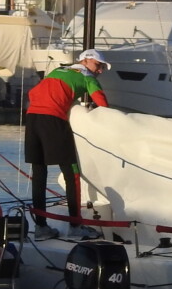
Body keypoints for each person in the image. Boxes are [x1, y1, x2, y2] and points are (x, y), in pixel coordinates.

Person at [24, 47, 110, 240]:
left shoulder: (57, 71)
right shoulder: (88, 76)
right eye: (98, 65)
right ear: (86, 61)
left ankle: (41, 228)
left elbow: (35, 93)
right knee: (72, 172)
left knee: (39, 173)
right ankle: (75, 226)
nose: (100, 70)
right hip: (53, 119)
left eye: (102, 67)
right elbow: (103, 104)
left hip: (32, 117)